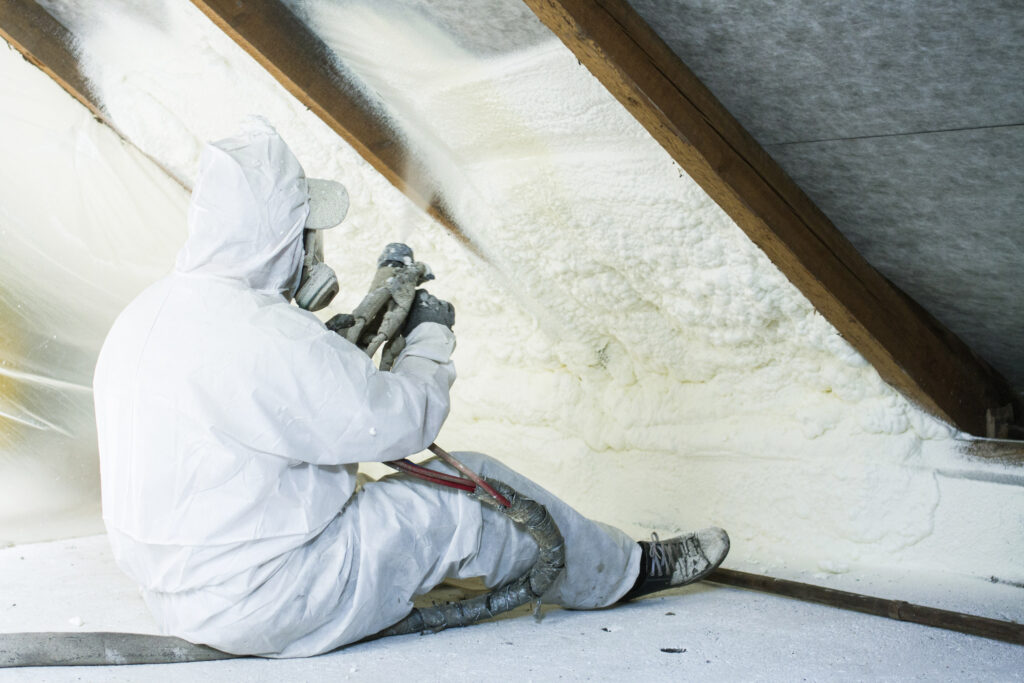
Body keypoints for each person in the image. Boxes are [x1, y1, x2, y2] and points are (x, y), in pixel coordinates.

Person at [93, 118, 729, 658]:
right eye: (305, 231)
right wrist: (429, 341)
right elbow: (402, 424)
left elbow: (259, 410)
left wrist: (333, 349)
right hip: (271, 597)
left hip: (177, 593)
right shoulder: (269, 338)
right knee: (475, 489)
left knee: (375, 498)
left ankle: (610, 568)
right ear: (281, 235)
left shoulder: (148, 314)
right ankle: (626, 573)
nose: (311, 248)